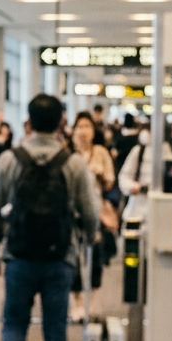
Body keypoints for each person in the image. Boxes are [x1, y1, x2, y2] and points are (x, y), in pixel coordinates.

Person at [0, 94, 101, 341]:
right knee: (54, 328)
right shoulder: (72, 163)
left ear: (29, 121)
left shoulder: (10, 159)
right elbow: (90, 212)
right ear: (61, 122)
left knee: (14, 324)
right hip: (59, 257)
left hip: (18, 255)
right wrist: (89, 237)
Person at [68, 111, 117, 319]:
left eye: (87, 126)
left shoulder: (101, 152)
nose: (83, 131)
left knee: (95, 257)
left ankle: (93, 301)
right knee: (72, 257)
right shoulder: (69, 155)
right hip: (71, 213)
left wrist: (101, 174)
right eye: (79, 126)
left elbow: (110, 183)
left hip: (96, 212)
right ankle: (76, 301)